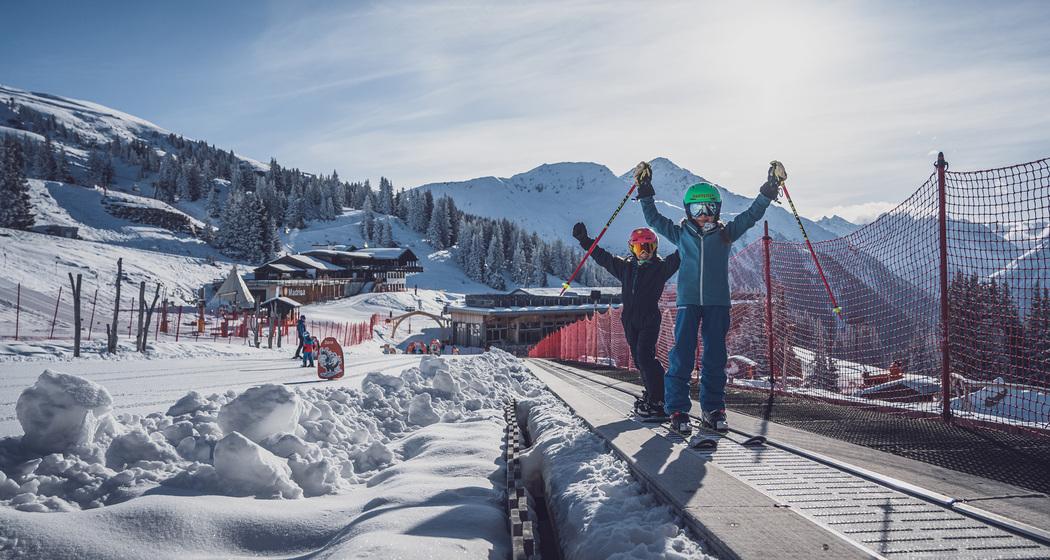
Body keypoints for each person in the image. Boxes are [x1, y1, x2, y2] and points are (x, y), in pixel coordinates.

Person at [635, 159, 785, 435]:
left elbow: (751, 215)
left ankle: (713, 410)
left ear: (717, 210)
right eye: (697, 209)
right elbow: (654, 219)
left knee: (715, 357)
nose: (703, 214)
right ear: (688, 210)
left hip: (718, 303)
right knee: (681, 356)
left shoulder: (726, 234)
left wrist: (770, 187)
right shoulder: (680, 234)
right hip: (688, 303)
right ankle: (678, 410)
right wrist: (644, 189)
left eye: (709, 209)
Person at [571, 223, 680, 419]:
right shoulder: (625, 268)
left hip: (649, 318)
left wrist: (691, 233)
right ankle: (651, 395)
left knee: (646, 358)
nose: (643, 253)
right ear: (632, 249)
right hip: (629, 319)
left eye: (647, 248)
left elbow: (681, 255)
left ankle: (660, 400)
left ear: (654, 248)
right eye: (639, 248)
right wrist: (585, 241)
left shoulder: (661, 268)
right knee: (639, 360)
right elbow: (604, 258)